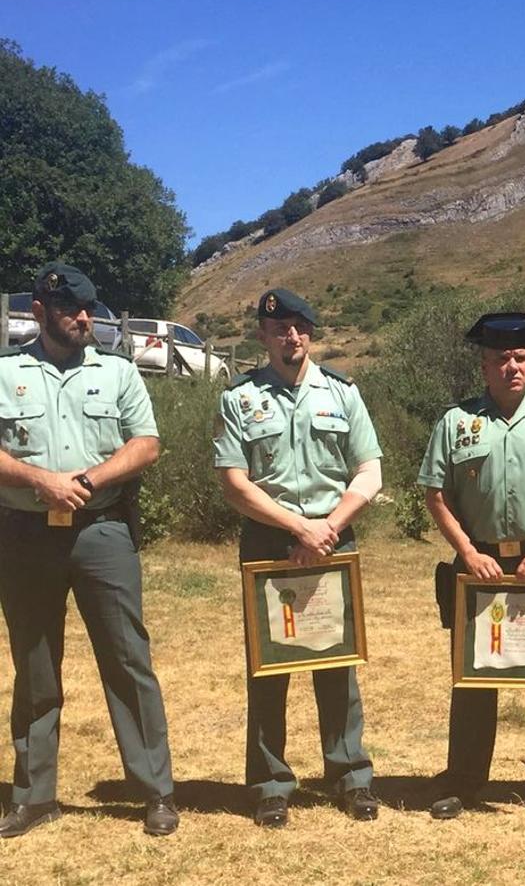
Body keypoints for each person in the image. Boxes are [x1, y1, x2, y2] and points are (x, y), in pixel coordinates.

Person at [0, 263, 178, 838]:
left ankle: (154, 792)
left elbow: (146, 443)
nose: (85, 318)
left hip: (103, 531)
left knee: (128, 659)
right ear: (40, 313)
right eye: (72, 309)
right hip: (25, 533)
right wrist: (38, 480)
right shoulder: (6, 371)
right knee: (33, 662)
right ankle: (34, 796)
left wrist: (90, 480)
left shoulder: (119, 372)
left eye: (90, 308)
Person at [214, 288, 384, 828]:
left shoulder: (342, 392)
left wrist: (328, 527)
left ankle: (351, 776)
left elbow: (369, 470)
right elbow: (234, 484)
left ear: (310, 332)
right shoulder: (238, 399)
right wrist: (297, 526)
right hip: (270, 543)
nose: (292, 335)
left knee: (337, 662)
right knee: (270, 668)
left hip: (334, 538)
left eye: (300, 325)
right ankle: (270, 784)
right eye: (280, 327)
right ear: (262, 337)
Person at [418, 312, 525, 818]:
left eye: (520, 358)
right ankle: (464, 781)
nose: (511, 367)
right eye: (501, 359)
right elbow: (436, 495)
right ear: (484, 367)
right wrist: (470, 553)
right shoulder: (456, 422)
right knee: (474, 680)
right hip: (479, 567)